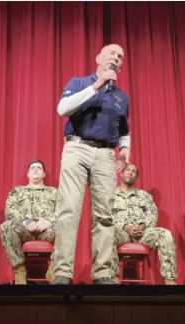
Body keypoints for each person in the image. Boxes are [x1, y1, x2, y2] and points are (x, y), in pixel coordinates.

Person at [52, 43, 130, 285]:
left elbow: (124, 127)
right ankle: (62, 272)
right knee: (68, 211)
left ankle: (103, 273)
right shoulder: (78, 82)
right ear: (98, 58)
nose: (116, 58)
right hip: (76, 148)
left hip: (105, 154)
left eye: (120, 56)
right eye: (112, 54)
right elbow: (62, 109)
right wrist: (97, 86)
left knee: (105, 215)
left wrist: (125, 148)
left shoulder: (121, 96)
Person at [111, 163, 177, 284]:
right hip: (121, 233)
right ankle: (114, 279)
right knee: (106, 234)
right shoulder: (111, 195)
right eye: (127, 170)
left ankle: (170, 280)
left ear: (136, 177)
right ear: (121, 173)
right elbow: (107, 216)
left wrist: (142, 226)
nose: (130, 172)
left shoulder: (145, 196)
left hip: (143, 233)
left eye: (134, 171)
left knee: (165, 234)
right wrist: (125, 227)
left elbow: (152, 215)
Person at [0, 160, 57, 284]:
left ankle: (54, 269)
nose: (35, 169)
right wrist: (26, 222)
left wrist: (48, 221)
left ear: (44, 174)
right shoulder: (17, 191)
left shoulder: (53, 192)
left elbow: (62, 211)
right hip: (25, 231)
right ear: (28, 174)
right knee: (6, 226)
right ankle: (19, 270)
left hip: (48, 231)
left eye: (39, 168)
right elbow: (10, 212)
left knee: (67, 226)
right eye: (32, 168)